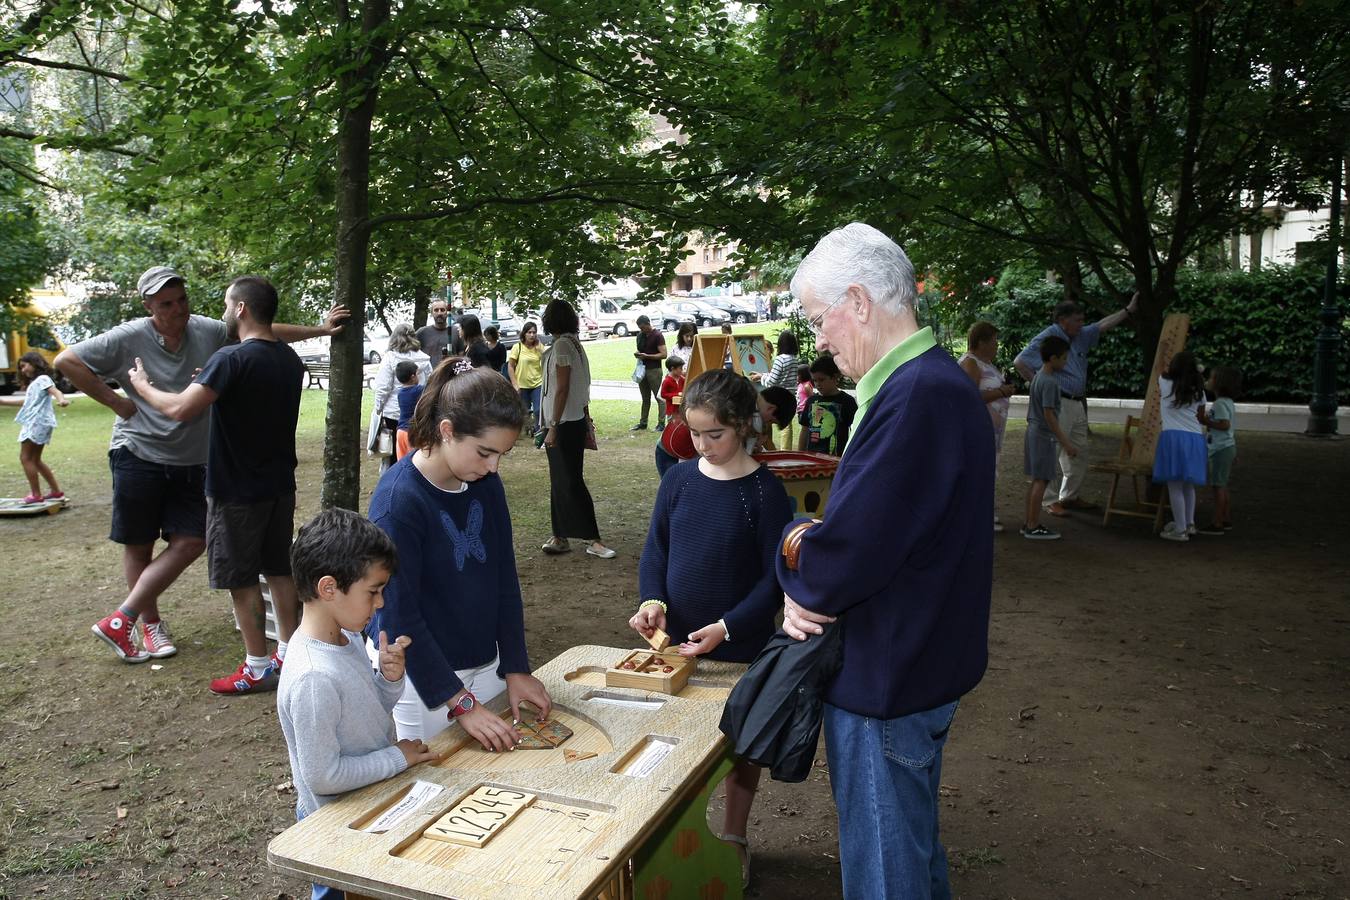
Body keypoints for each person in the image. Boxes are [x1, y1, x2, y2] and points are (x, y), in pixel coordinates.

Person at [775, 223, 993, 899]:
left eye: (819, 318)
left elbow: (834, 568)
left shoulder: (915, 398)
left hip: (888, 680)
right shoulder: (932, 385)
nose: (819, 340)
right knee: (911, 850)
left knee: (886, 870)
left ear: (860, 302)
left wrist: (791, 540)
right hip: (917, 665)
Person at [59, 265, 344, 664]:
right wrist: (117, 402)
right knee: (140, 545)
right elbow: (67, 360)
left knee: (205, 548)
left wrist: (320, 330)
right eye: (166, 304)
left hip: (205, 468)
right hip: (140, 453)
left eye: (182, 300)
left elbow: (263, 332)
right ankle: (146, 625)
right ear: (149, 306)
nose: (178, 310)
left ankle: (133, 619)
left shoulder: (218, 341)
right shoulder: (129, 337)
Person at [631, 368, 793, 886]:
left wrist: (728, 625)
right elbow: (657, 548)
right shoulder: (678, 478)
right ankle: (667, 838)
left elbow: (774, 579)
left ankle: (734, 836)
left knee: (738, 750)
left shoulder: (765, 492)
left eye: (714, 434)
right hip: (678, 645)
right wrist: (653, 599)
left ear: (744, 426)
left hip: (739, 646)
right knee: (674, 742)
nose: (703, 444)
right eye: (695, 433)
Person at [128, 276, 307, 693]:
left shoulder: (230, 359)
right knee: (279, 569)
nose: (225, 313)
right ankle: (290, 651)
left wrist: (141, 387)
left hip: (236, 492)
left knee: (241, 579)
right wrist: (214, 379)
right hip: (279, 485)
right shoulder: (288, 360)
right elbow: (252, 400)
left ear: (241, 308)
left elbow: (178, 410)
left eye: (228, 305)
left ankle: (258, 666)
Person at [367, 359, 553, 746]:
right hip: (424, 681)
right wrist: (460, 703)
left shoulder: (485, 483)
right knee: (439, 784)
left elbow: (503, 578)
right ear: (447, 431)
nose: (493, 466)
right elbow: (397, 616)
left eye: (501, 454)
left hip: (487, 663)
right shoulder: (398, 502)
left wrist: (516, 667)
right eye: (485, 452)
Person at [278, 507, 439, 900]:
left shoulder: (345, 637)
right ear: (328, 588)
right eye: (373, 591)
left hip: (367, 804)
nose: (381, 603)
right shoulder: (313, 676)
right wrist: (398, 759)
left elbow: (368, 709)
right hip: (335, 827)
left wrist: (388, 677)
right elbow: (323, 777)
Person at [1014, 295, 1138, 516]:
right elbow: (1020, 362)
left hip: (1077, 401)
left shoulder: (1080, 335)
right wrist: (1040, 385)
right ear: (1063, 320)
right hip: (1059, 400)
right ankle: (1050, 500)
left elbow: (1102, 325)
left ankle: (1069, 496)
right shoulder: (1049, 337)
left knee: (1079, 450)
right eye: (1078, 320)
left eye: (1082, 320)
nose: (1082, 324)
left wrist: (1128, 310)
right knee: (1054, 448)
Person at [540, 300, 616, 559]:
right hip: (570, 421)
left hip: (563, 423)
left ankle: (593, 539)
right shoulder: (573, 343)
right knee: (560, 480)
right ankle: (560, 535)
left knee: (570, 481)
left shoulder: (563, 345)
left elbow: (562, 389)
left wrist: (552, 426)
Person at [959, 322, 1016, 532]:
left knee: (989, 470)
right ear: (981, 342)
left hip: (993, 430)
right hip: (979, 428)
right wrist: (1002, 392)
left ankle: (985, 513)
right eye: (994, 341)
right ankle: (981, 517)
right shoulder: (970, 363)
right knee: (980, 470)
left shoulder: (985, 363)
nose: (997, 346)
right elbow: (970, 396)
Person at [1022, 336, 1075, 541]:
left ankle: (1029, 522)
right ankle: (1033, 525)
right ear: (1052, 358)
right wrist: (1066, 442)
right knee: (1041, 481)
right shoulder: (1050, 382)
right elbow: (1049, 415)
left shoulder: (1037, 377)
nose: (1066, 362)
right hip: (1043, 435)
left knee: (1036, 480)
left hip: (1034, 431)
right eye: (1063, 358)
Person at [0, 351, 70, 503]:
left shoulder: (43, 379)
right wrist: (2, 401)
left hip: (36, 422)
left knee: (25, 458)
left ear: (34, 363)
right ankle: (56, 492)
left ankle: (36, 494)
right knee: (35, 460)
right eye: (21, 367)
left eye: (24, 366)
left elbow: (55, 391)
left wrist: (61, 399)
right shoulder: (35, 383)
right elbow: (27, 403)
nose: (23, 370)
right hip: (40, 423)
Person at [1153, 350, 1207, 542]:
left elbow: (1160, 369)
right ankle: (1189, 523)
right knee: (1188, 484)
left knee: (1174, 485)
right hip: (1195, 438)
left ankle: (1180, 530)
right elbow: (1201, 416)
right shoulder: (1199, 390)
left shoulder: (1166, 383)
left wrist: (1162, 351)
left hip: (1173, 438)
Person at [370, 324, 432, 473]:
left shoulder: (390, 358)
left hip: (393, 414)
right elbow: (431, 383)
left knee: (393, 455)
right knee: (418, 453)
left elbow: (383, 387)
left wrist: (378, 409)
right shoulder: (424, 359)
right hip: (418, 414)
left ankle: (394, 481)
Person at [1197, 366, 1242, 535]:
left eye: (1212, 378)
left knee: (1218, 486)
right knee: (1222, 485)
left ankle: (1217, 522)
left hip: (1220, 448)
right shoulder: (1228, 402)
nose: (1208, 380)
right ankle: (1225, 518)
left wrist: (1205, 421)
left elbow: (1224, 425)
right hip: (1226, 447)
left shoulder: (1220, 403)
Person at [797, 355, 858, 457]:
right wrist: (800, 455)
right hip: (812, 459)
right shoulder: (811, 401)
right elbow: (804, 430)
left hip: (837, 459)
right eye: (815, 380)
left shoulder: (847, 401)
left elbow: (855, 431)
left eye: (821, 380)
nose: (817, 384)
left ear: (834, 377)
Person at [630, 314, 667, 431]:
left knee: (659, 397)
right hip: (642, 369)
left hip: (654, 370)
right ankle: (643, 422)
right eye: (640, 328)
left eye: (643, 327)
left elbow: (664, 354)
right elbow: (640, 349)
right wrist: (638, 354)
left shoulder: (658, 335)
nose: (641, 330)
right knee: (645, 398)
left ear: (648, 324)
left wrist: (648, 356)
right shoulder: (640, 336)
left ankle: (661, 423)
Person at [508, 321, 545, 435]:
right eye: (529, 332)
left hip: (537, 383)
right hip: (522, 384)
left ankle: (539, 432)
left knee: (538, 410)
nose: (532, 335)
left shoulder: (539, 347)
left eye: (534, 332)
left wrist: (540, 350)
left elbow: (546, 362)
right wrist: (515, 384)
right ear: (524, 333)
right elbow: (511, 366)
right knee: (525, 410)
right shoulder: (517, 347)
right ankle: (528, 429)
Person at [393, 361, 423, 461]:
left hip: (400, 431)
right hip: (411, 432)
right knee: (413, 462)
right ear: (413, 376)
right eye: (417, 374)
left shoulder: (400, 393)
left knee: (402, 462)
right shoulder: (418, 390)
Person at [416, 299, 453, 363]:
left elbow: (461, 356)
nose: (439, 313)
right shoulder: (422, 332)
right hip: (429, 372)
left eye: (442, 310)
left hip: (450, 371)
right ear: (432, 313)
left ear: (447, 312)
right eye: (436, 310)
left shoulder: (456, 332)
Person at [659, 357, 686, 422]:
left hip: (681, 408)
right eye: (680, 368)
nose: (682, 370)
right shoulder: (667, 381)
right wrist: (677, 394)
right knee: (672, 424)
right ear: (672, 368)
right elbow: (663, 394)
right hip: (672, 409)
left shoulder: (682, 379)